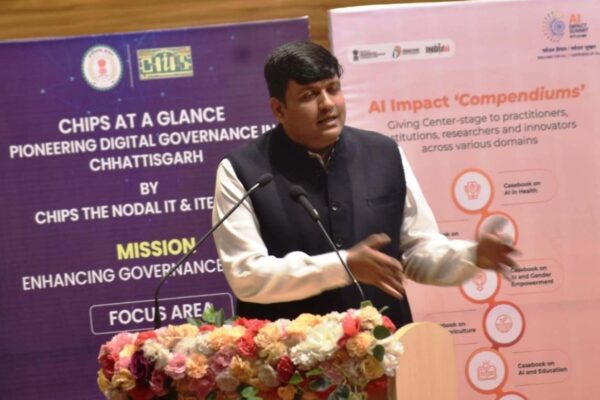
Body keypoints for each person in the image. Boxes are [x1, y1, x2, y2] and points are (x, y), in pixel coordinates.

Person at [211, 41, 517, 327]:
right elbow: (246, 275)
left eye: (333, 89)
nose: (327, 104)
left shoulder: (384, 153)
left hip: (383, 347)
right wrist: (343, 265)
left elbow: (416, 250)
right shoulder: (242, 170)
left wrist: (470, 257)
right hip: (284, 356)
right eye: (309, 96)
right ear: (279, 109)